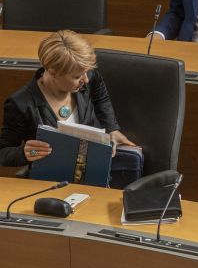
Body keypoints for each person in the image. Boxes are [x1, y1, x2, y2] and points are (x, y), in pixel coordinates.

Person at [0, 30, 134, 175]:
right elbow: (3, 152)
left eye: (87, 72)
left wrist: (111, 128)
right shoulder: (20, 103)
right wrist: (23, 153)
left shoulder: (88, 77)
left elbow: (100, 98)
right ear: (53, 72)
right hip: (50, 179)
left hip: (93, 172)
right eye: (77, 77)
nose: (86, 79)